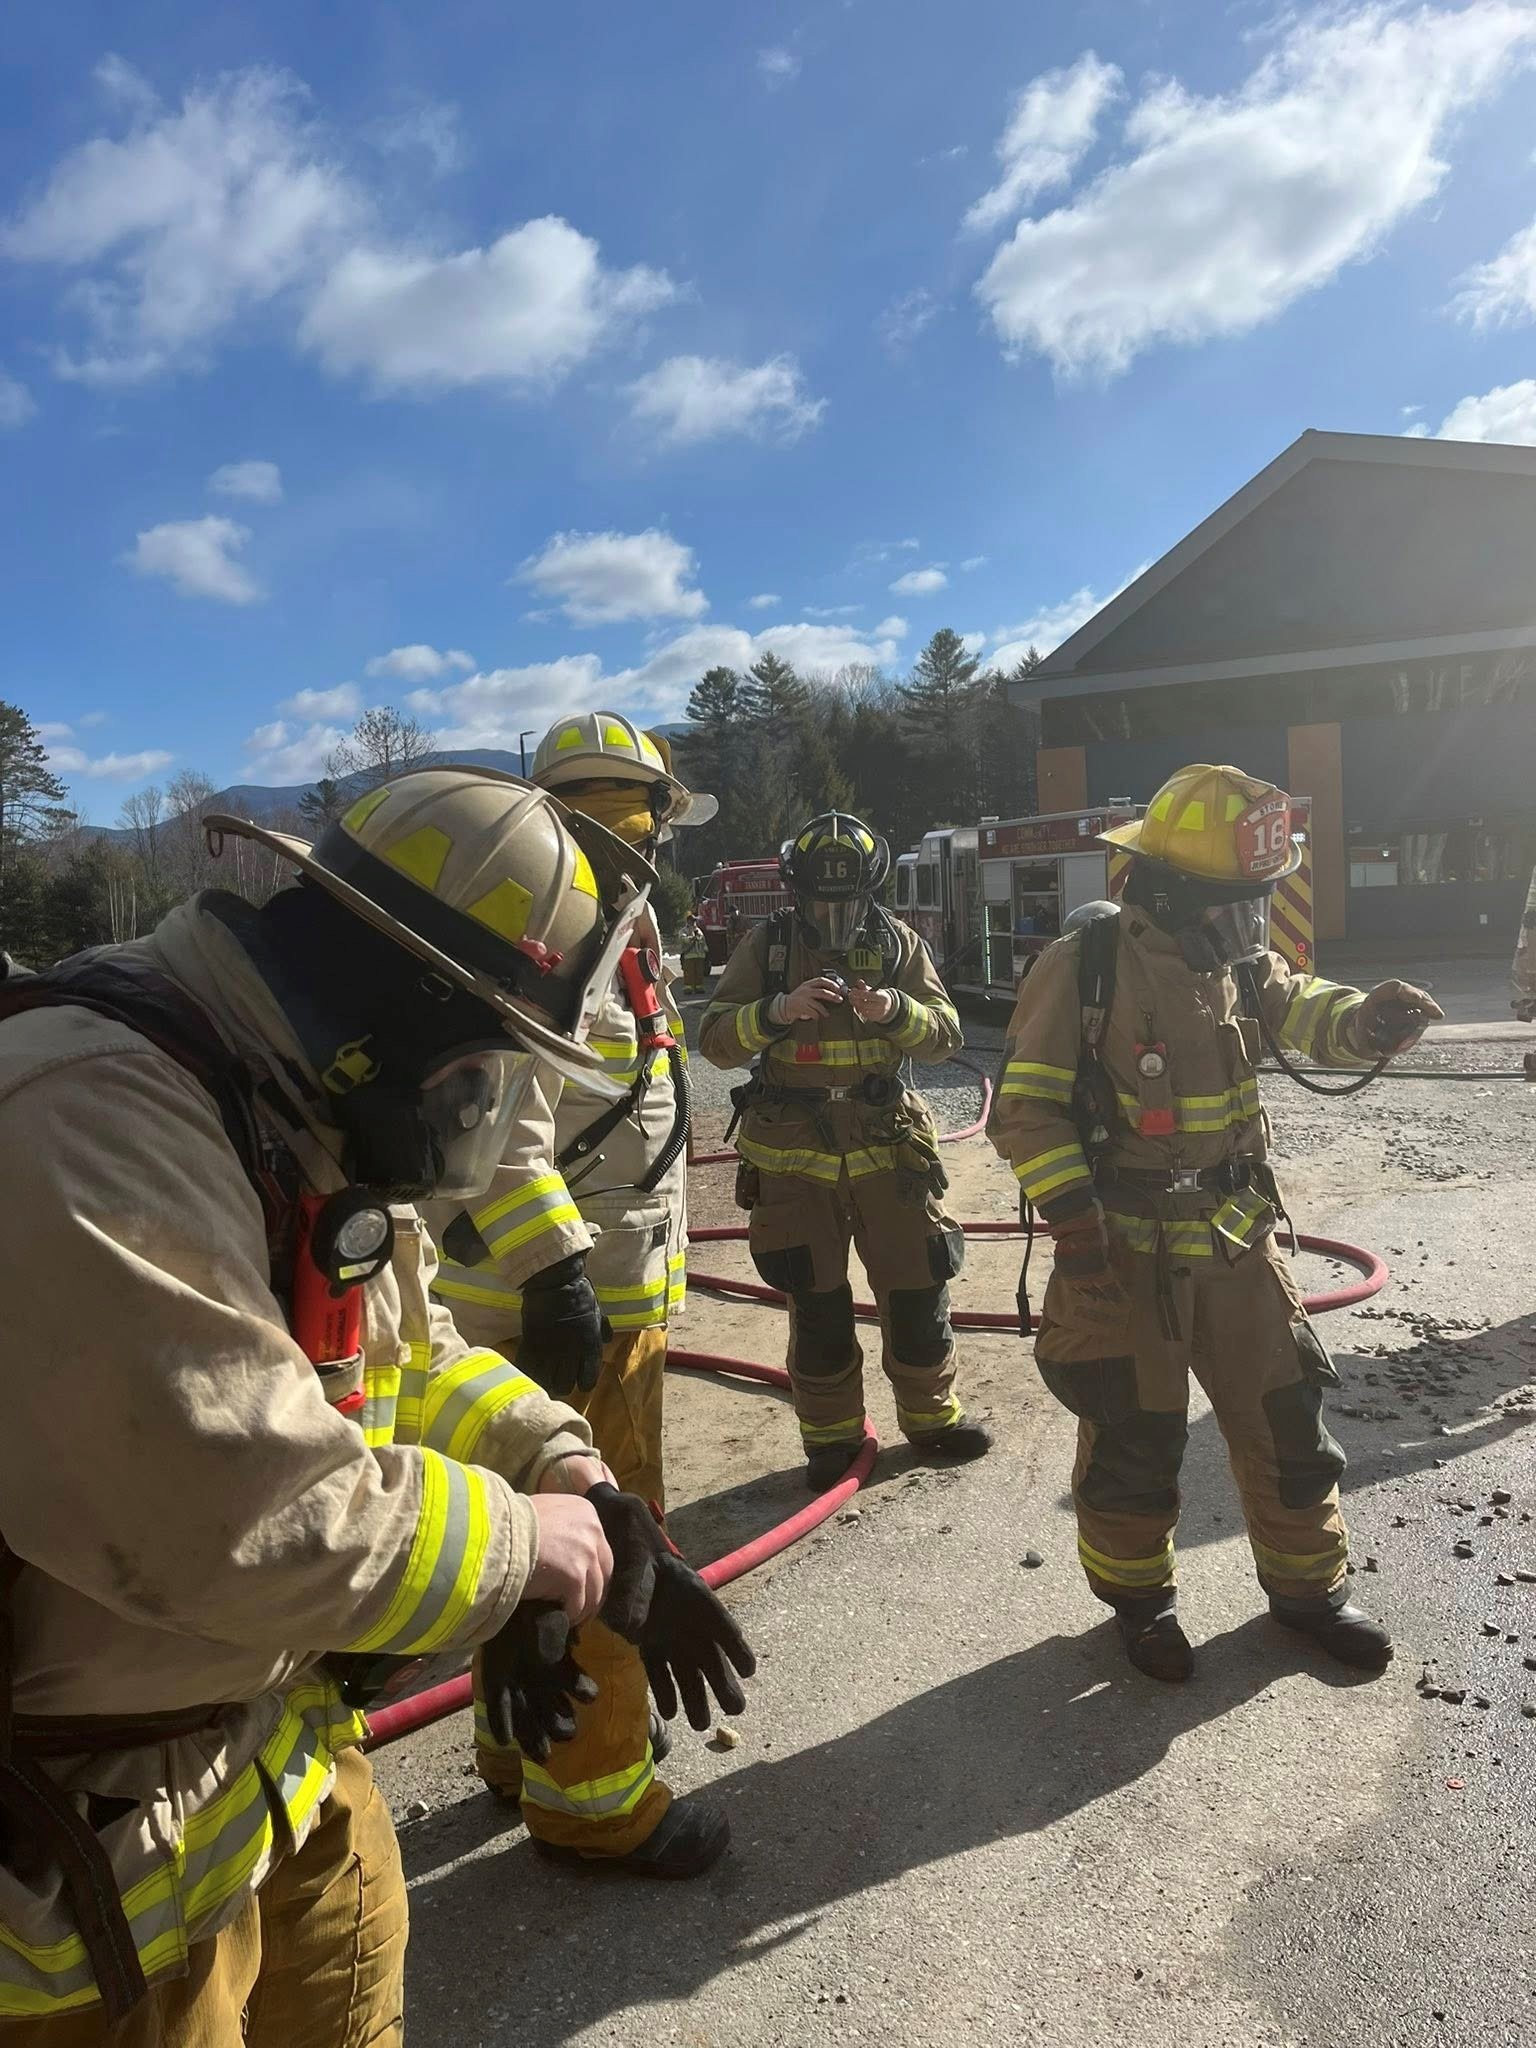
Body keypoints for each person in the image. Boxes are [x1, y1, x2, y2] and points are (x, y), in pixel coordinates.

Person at [0, 766, 752, 2036]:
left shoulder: (300, 1095)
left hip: (281, 1748)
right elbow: (243, 1513)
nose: (479, 1111)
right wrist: (521, 1548)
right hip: (91, 1856)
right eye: (483, 1072)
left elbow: (411, 1353)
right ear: (403, 995)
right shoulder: (90, 1115)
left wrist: (564, 1466)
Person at [989, 764, 1441, 1682]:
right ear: (1167, 888)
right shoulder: (1084, 966)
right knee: (1135, 1438)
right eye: (1232, 901)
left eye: (1254, 903)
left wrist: (1368, 1021)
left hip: (1237, 1240)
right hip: (1126, 1252)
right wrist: (1076, 1228)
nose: (1248, 924)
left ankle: (1311, 1593)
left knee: (1289, 1425)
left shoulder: (1230, 952)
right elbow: (1025, 1109)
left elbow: (1298, 1002)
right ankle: (1140, 1605)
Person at [424, 714, 727, 1877]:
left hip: (571, 1293)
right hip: (570, 1305)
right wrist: (557, 1276)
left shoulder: (600, 925)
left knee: (528, 1540)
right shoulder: (566, 938)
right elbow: (504, 1130)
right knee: (606, 1540)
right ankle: (596, 1796)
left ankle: (522, 1746)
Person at [700, 810, 992, 1490]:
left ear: (869, 891)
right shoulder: (768, 947)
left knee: (918, 1289)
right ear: (797, 892)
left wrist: (895, 1010)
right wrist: (776, 1011)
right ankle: (832, 1441)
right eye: (820, 904)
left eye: (848, 903)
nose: (834, 919)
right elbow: (713, 1041)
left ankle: (933, 1419)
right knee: (818, 1304)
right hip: (794, 1161)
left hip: (889, 1152)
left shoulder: (898, 944)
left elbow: (946, 1037)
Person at [680, 911, 712, 993]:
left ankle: (699, 987)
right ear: (688, 921)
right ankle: (688, 988)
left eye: (694, 921)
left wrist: (706, 951)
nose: (694, 922)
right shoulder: (684, 931)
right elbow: (683, 939)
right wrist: (692, 938)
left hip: (700, 955)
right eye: (692, 921)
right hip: (689, 955)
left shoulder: (699, 930)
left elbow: (703, 941)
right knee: (689, 972)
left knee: (699, 972)